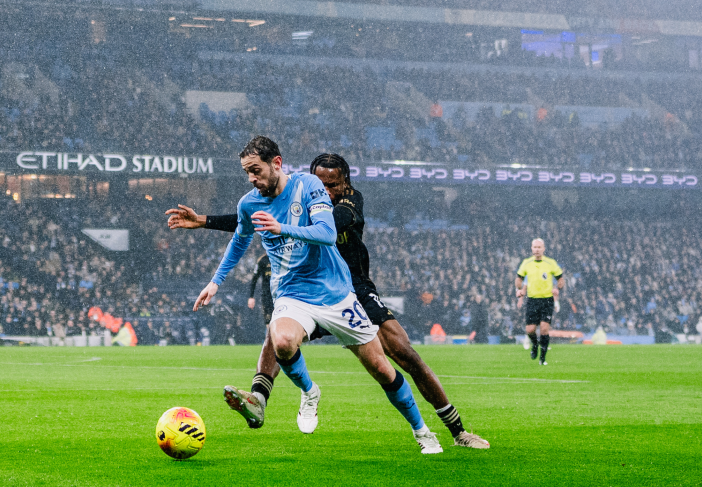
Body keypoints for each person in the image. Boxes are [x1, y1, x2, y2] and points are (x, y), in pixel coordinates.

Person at [169, 151, 489, 448]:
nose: (327, 189)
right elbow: (252, 218)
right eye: (320, 183)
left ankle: (457, 430)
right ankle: (258, 399)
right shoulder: (301, 195)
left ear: (344, 182)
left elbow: (329, 227)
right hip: (309, 287)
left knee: (404, 355)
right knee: (276, 339)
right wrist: (205, 221)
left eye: (332, 184)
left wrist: (288, 225)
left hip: (354, 289)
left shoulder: (350, 201)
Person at [515, 238, 566, 365]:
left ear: (543, 249)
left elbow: (561, 279)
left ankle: (542, 358)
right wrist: (519, 290)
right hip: (532, 301)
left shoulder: (551, 263)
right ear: (531, 248)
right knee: (530, 330)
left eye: (539, 247)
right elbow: (519, 279)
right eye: (535, 247)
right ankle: (535, 344)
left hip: (546, 301)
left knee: (544, 329)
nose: (537, 249)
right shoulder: (526, 263)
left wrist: (557, 288)